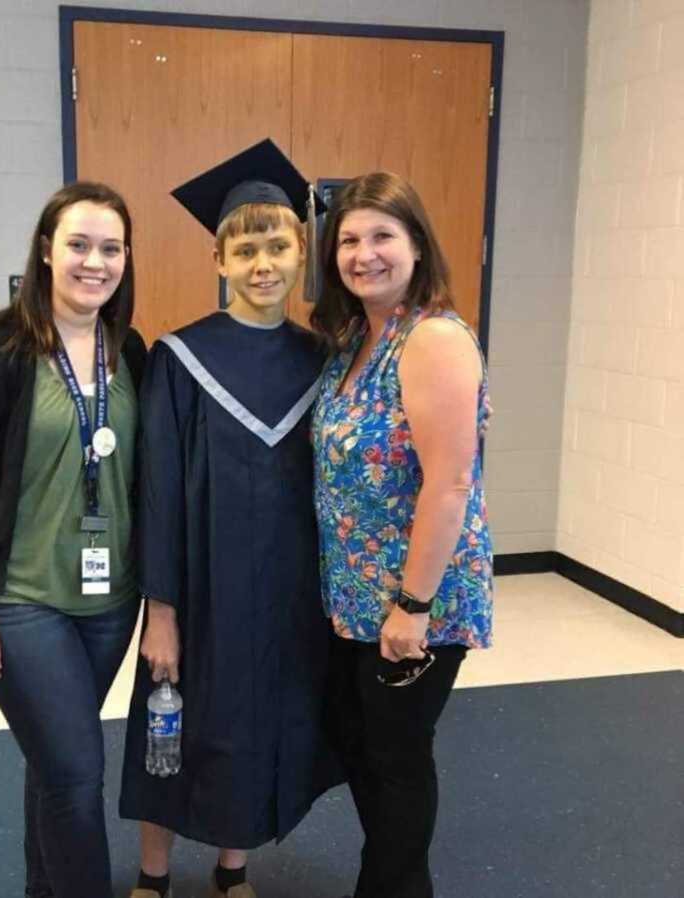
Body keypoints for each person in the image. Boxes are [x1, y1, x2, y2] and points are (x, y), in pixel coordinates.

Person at [119, 139, 341, 898]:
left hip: (285, 599)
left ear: (300, 249)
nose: (263, 264)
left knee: (255, 728)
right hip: (199, 591)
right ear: (218, 258)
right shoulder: (181, 358)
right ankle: (154, 877)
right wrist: (162, 612)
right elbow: (158, 494)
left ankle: (231, 867)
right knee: (172, 728)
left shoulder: (321, 360)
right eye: (245, 249)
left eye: (277, 245)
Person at [0, 181, 146, 898]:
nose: (95, 261)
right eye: (79, 244)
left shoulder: (130, 348)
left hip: (110, 601)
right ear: (47, 251)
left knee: (56, 761)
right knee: (79, 773)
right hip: (22, 599)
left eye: (111, 247)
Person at [310, 172, 494, 898]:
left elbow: (450, 485)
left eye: (383, 236)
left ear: (417, 244)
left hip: (419, 599)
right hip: (357, 594)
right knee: (362, 745)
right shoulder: (356, 337)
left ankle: (392, 887)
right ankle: (392, 877)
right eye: (349, 239)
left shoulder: (434, 339)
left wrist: (412, 606)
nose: (364, 254)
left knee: (397, 755)